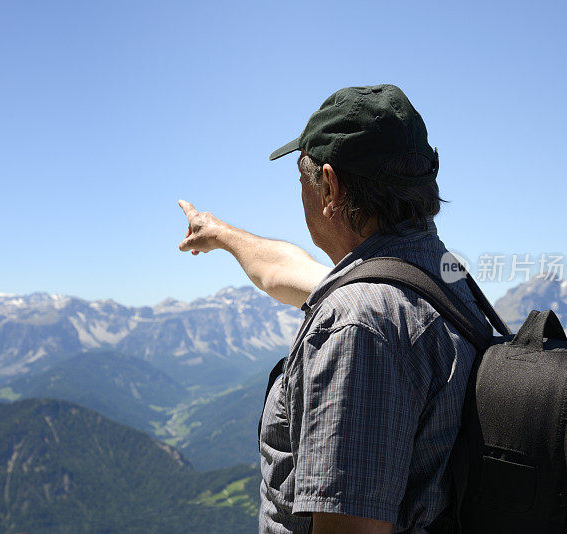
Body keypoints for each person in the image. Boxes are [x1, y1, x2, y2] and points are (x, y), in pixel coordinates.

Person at [178, 84, 485, 533]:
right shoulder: (441, 275)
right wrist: (221, 233)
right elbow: (290, 272)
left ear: (330, 186)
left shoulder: (358, 325)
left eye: (302, 180)